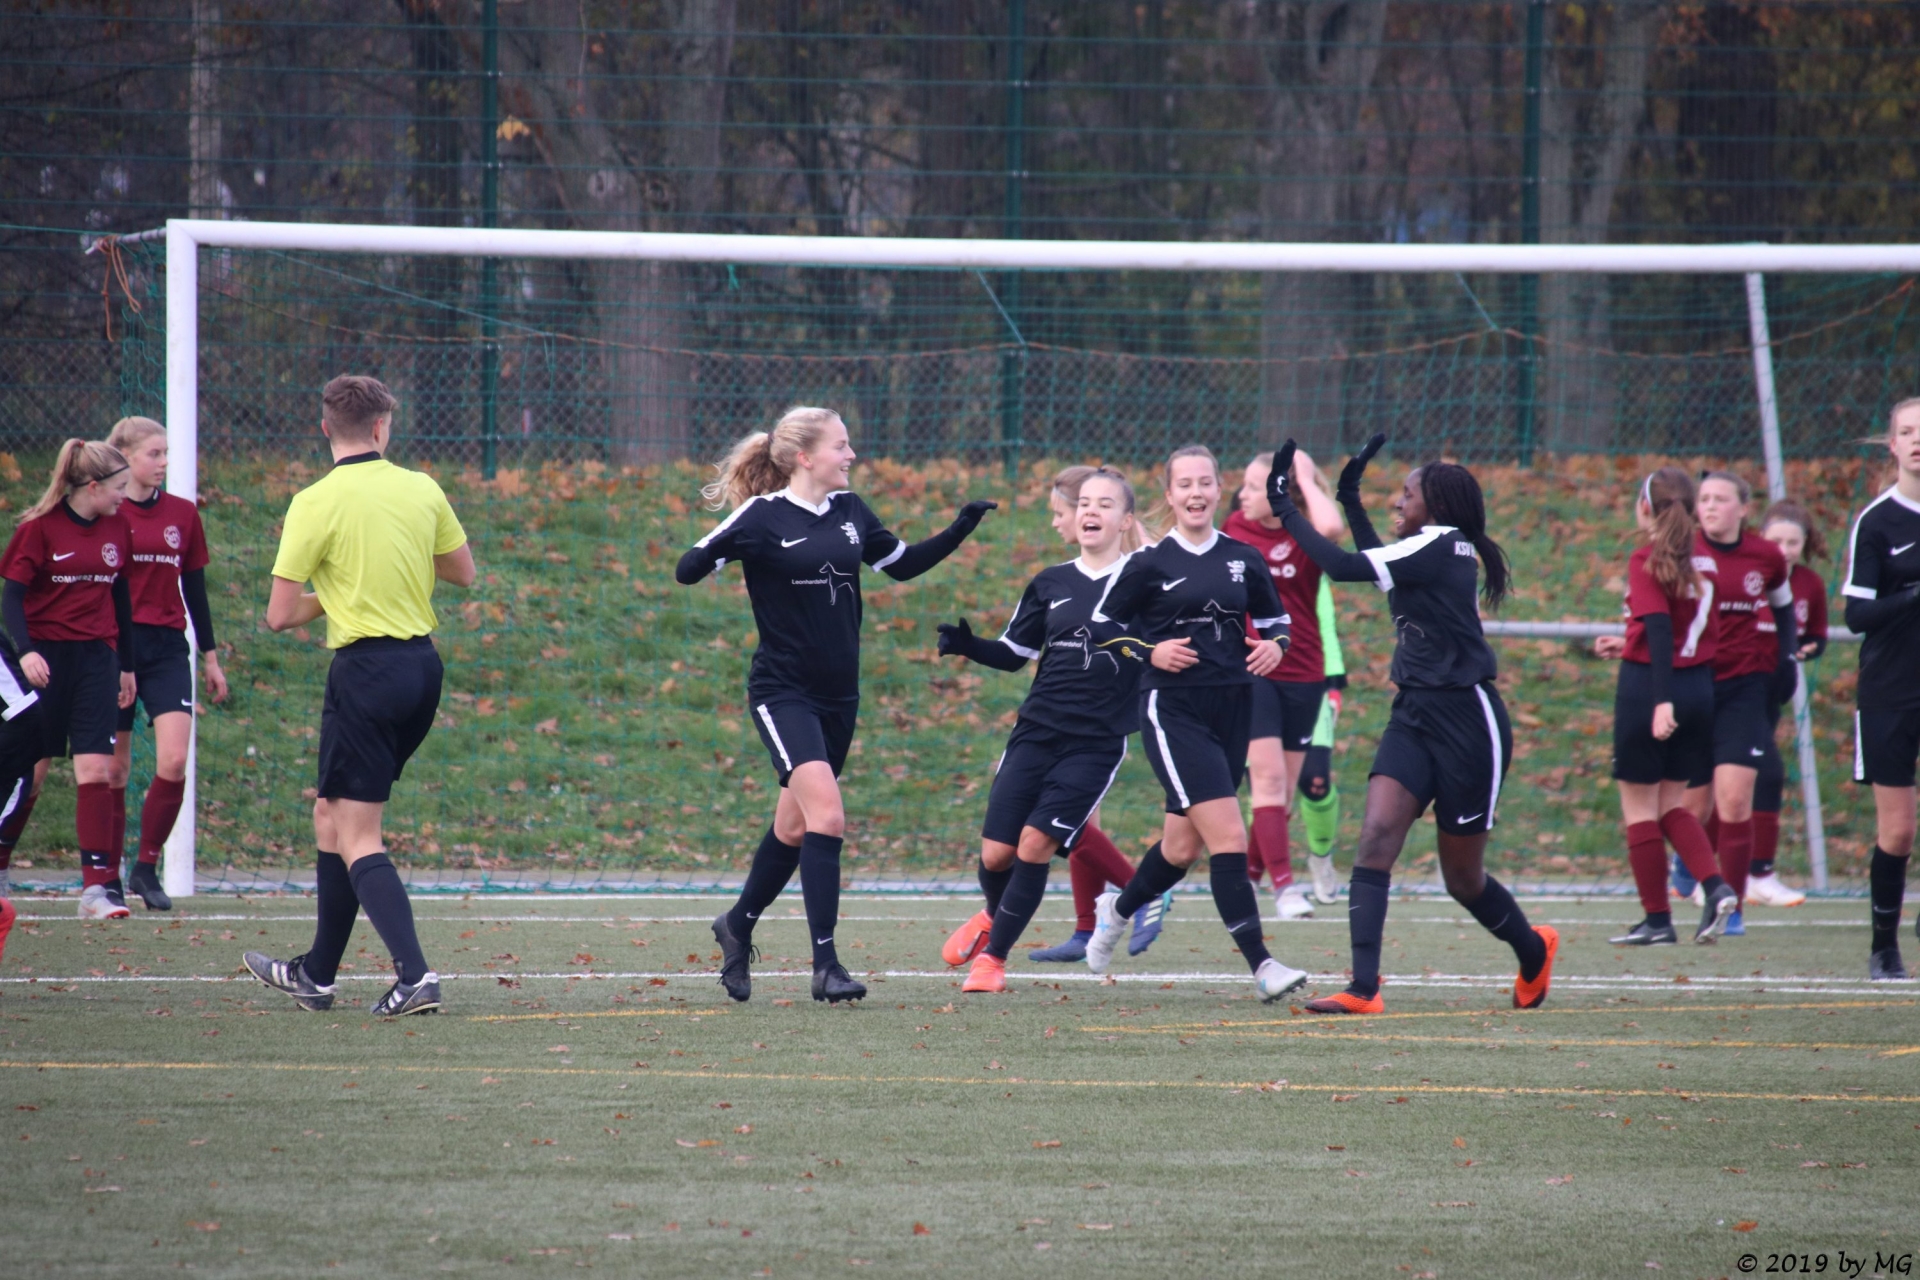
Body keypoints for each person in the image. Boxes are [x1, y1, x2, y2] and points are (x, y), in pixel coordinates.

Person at [682, 407, 995, 1005]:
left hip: (839, 698)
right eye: (841, 445)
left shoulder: (851, 511)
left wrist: (960, 528)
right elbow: (687, 568)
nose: (851, 455)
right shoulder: (762, 515)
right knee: (827, 818)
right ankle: (826, 966)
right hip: (783, 693)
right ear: (805, 457)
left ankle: (737, 924)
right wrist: (716, 553)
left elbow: (902, 565)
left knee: (794, 826)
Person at [1264, 435, 1557, 1014]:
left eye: (1407, 494)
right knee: (1375, 840)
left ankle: (1533, 949)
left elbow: (1345, 566)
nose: (1398, 502)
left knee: (1464, 880)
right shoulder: (1431, 548)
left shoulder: (1440, 544)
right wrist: (1350, 501)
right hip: (1415, 715)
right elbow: (1382, 570)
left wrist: (1285, 508)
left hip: (1469, 722)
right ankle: (1363, 989)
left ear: (1438, 506)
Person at [242, 375, 473, 1017]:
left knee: (357, 831)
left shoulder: (314, 502)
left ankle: (415, 976)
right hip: (421, 669)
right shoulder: (421, 487)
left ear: (326, 429)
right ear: (380, 427)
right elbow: (463, 571)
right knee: (330, 815)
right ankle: (316, 974)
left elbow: (279, 615)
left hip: (366, 673)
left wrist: (339, 591)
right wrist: (387, 567)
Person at [1080, 444, 1309, 1003]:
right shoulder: (1149, 563)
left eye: (1204, 483)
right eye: (1184, 484)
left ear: (1217, 489)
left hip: (1232, 706)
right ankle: (1262, 965)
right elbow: (1102, 625)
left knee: (1181, 849)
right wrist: (1149, 651)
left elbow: (1277, 620)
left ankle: (1117, 909)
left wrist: (1276, 646)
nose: (1196, 493)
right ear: (1170, 495)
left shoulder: (1242, 557)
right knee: (1228, 835)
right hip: (1171, 708)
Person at [933, 469, 1150, 992]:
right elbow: (1014, 654)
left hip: (1095, 742)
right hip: (1034, 732)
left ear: (1126, 521)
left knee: (1034, 844)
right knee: (996, 854)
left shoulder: (1148, 583)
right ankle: (994, 915)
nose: (1091, 511)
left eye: (1105, 504)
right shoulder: (1051, 581)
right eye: (1085, 503)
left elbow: (1167, 648)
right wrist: (969, 646)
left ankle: (993, 961)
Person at [1595, 468, 1738, 945]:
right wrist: (1628, 642)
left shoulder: (1647, 558)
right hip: (1699, 687)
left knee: (1639, 808)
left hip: (1652, 689)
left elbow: (1660, 631)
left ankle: (1658, 920)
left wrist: (1660, 701)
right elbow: (1680, 630)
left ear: (1644, 508)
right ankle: (1716, 888)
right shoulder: (1708, 560)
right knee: (1670, 805)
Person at [0, 440, 138, 919]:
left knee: (97, 769)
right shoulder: (38, 530)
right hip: (45, 661)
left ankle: (96, 890)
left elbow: (121, 599)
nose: (125, 495)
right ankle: (1, 862)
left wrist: (126, 664)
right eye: (119, 487)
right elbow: (12, 598)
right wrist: (27, 652)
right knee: (33, 772)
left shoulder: (119, 527)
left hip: (97, 660)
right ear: (93, 486)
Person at [101, 417, 229, 912]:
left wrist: (211, 658)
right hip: (115, 648)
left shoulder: (182, 513)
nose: (163, 463)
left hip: (168, 648)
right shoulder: (108, 513)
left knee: (174, 761)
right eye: (154, 454)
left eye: (166, 453)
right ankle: (105, 877)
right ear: (126, 457)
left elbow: (195, 589)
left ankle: (145, 868)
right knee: (114, 770)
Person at [1226, 448, 1346, 920]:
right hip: (1253, 668)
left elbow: (1333, 529)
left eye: (1254, 486)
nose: (1243, 494)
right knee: (1269, 779)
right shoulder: (1235, 528)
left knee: (1284, 790)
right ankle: (1285, 888)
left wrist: (1306, 478)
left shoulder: (1303, 531)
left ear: (1279, 492)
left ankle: (1248, 878)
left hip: (1305, 672)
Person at [1681, 471, 1799, 936]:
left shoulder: (1765, 555)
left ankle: (1730, 911)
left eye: (1721, 499)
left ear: (1743, 509)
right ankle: (1687, 871)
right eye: (1704, 499)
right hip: (1693, 683)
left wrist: (1787, 658)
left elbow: (1784, 609)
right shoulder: (1684, 550)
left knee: (1733, 799)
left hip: (1744, 688)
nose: (1710, 506)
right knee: (1692, 808)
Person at [1841, 396, 1920, 981]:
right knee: (1898, 829)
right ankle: (1884, 949)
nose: (1918, 441)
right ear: (1892, 445)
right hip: (1891, 689)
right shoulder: (1877, 521)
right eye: (1908, 432)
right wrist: (1913, 595)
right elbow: (1856, 616)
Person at [1746, 499, 1828, 909]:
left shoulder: (1809, 583)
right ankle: (1757, 873)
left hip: (1773, 691)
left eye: (1792, 542)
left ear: (1804, 543)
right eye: (1776, 540)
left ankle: (1699, 870)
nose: (1784, 549)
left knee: (1746, 779)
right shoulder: (1747, 575)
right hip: (1737, 687)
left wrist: (1808, 647)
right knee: (1764, 774)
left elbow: (1816, 635)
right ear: (1760, 538)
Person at [1298, 576, 1349, 903]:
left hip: (1310, 679)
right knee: (1262, 784)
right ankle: (1258, 871)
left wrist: (1333, 680)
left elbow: (1324, 621)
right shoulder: (1241, 556)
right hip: (1254, 682)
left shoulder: (1307, 560)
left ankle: (1321, 859)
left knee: (1316, 781)